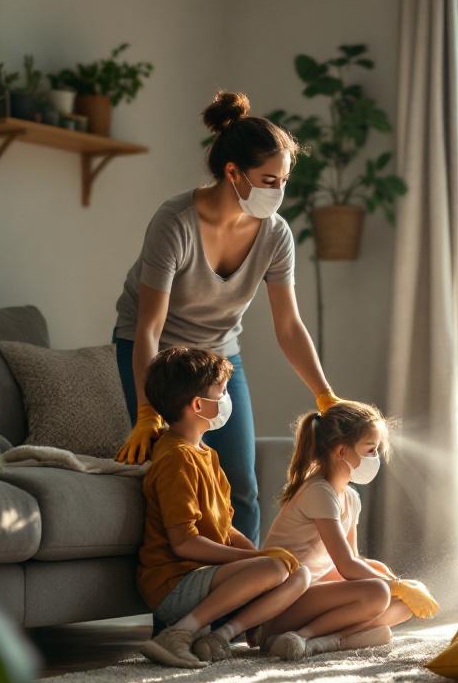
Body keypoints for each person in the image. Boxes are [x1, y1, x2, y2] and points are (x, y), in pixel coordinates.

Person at [112, 90, 347, 545]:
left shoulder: (276, 236)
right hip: (156, 353)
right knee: (177, 470)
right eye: (268, 179)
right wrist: (146, 410)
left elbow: (289, 326)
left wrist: (324, 395)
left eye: (284, 180)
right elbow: (147, 327)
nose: (278, 191)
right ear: (233, 173)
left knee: (241, 483)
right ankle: (181, 600)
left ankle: (243, 597)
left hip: (220, 355)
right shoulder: (174, 222)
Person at [135, 346, 311, 668]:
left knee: (299, 573)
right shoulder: (176, 458)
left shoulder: (207, 454)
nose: (228, 398)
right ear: (198, 405)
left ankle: (223, 634)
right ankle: (178, 633)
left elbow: (224, 528)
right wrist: (256, 560)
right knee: (273, 568)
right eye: (223, 391)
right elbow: (184, 542)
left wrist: (259, 557)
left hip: (208, 579)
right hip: (174, 584)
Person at [254, 401, 439, 661]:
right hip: (282, 604)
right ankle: (303, 638)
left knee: (403, 598)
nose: (375, 457)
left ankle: (331, 641)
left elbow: (354, 558)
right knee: (379, 592)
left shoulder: (350, 497)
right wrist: (394, 585)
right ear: (341, 451)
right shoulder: (318, 491)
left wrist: (399, 583)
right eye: (370, 449)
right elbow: (346, 565)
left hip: (317, 594)